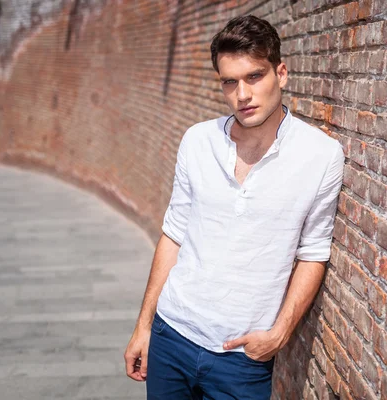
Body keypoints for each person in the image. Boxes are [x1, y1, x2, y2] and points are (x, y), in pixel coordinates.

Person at [124, 15, 345, 400]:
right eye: (230, 82)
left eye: (254, 77)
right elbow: (174, 233)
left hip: (241, 359)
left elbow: (313, 253)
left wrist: (279, 334)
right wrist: (144, 326)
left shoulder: (321, 155)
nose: (242, 94)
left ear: (281, 73)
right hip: (171, 334)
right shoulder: (198, 140)